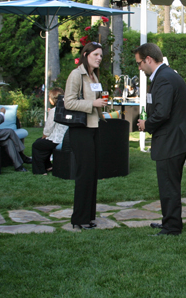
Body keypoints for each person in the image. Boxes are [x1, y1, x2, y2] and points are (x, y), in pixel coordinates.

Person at [135, 43, 186, 236]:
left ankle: (172, 227)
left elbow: (162, 113)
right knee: (170, 184)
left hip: (171, 141)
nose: (139, 68)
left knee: (169, 185)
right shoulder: (167, 75)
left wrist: (146, 125)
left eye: (139, 63)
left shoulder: (164, 79)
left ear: (148, 59)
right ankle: (170, 221)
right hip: (175, 139)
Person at [64, 42, 109, 230]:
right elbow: (68, 102)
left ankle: (88, 216)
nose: (99, 58)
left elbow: (96, 101)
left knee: (92, 173)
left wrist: (103, 106)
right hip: (80, 129)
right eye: (96, 55)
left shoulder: (93, 76)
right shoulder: (76, 74)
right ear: (86, 54)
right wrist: (93, 103)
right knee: (84, 174)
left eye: (101, 55)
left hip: (93, 127)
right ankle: (79, 219)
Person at [31, 87, 68, 175]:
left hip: (57, 140)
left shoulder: (54, 111)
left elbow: (49, 127)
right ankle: (48, 166)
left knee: (36, 145)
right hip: (66, 138)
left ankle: (40, 170)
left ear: (52, 99)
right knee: (40, 142)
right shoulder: (67, 108)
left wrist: (45, 134)